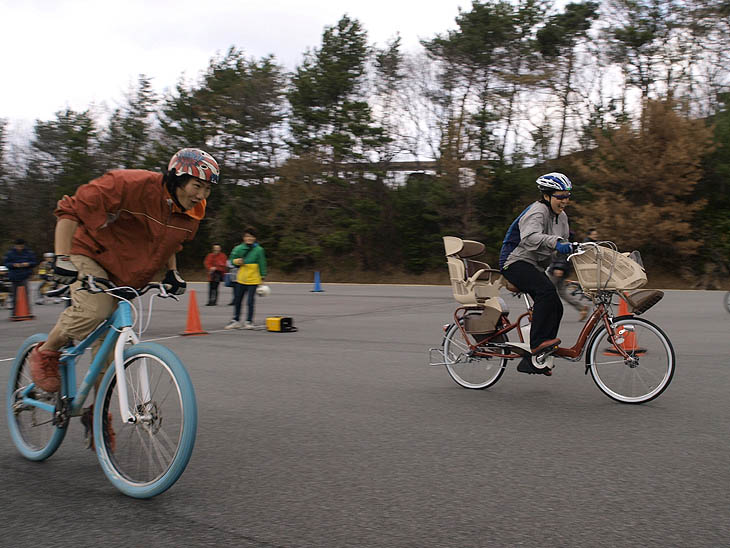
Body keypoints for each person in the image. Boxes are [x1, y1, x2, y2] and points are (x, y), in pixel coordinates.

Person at [27, 148, 220, 448]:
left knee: (109, 357)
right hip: (90, 255)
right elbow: (70, 210)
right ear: (177, 178)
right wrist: (61, 259)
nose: (201, 195)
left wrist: (171, 273)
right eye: (197, 186)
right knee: (97, 308)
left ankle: (97, 412)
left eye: (207, 189)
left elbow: (171, 242)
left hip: (128, 274)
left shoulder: (192, 214)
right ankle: (46, 353)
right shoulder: (130, 184)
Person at [499, 172, 573, 375]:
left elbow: (566, 240)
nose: (565, 200)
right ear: (547, 196)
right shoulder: (537, 211)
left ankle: (541, 355)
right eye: (560, 196)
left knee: (556, 305)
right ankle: (537, 345)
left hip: (535, 266)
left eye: (567, 195)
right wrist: (556, 243)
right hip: (514, 262)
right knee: (545, 292)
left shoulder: (562, 217)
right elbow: (530, 237)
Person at [225, 227, 267, 330]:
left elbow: (262, 264)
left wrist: (262, 278)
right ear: (244, 238)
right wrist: (236, 261)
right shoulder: (238, 248)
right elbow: (230, 260)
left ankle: (249, 321)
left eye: (251, 236)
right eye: (247, 236)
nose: (249, 238)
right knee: (238, 300)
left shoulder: (259, 250)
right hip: (241, 279)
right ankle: (236, 320)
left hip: (253, 280)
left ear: (255, 238)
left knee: (250, 302)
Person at [547, 245, 589, 321]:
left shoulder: (561, 237)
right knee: (561, 293)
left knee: (546, 291)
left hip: (557, 269)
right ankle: (581, 308)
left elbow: (563, 252)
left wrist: (559, 267)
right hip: (558, 268)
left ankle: (542, 313)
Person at [3, 238, 38, 313]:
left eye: (21, 246)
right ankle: (15, 312)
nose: (20, 248)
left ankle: (27, 311)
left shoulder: (28, 252)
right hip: (14, 276)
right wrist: (13, 265)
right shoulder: (10, 253)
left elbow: (34, 262)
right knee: (14, 295)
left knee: (25, 294)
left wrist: (28, 264)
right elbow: (6, 263)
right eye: (18, 246)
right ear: (15, 246)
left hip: (25, 275)